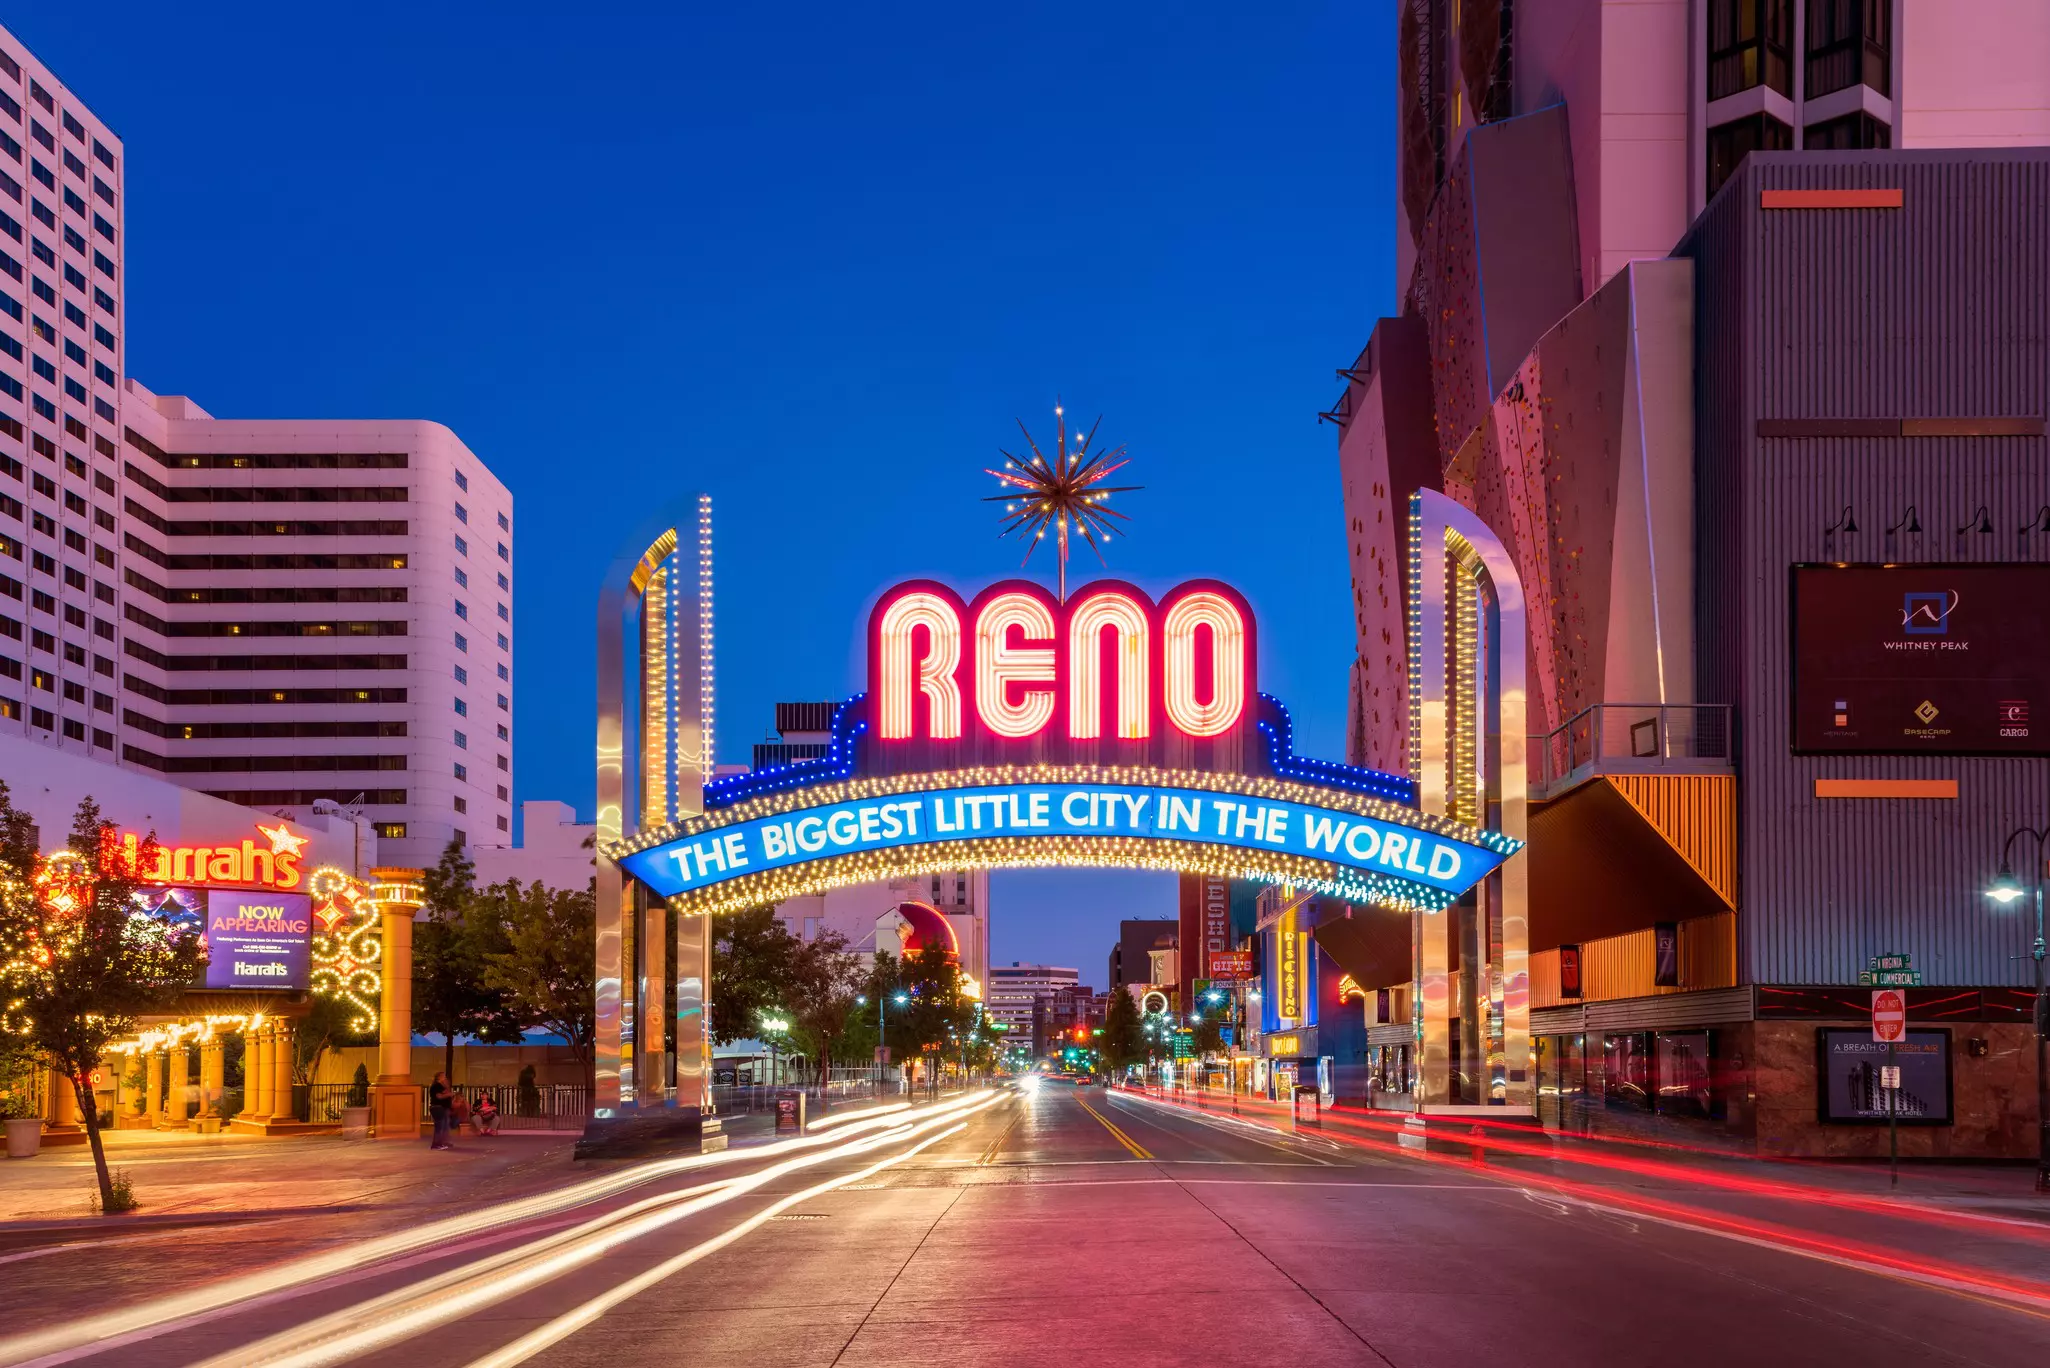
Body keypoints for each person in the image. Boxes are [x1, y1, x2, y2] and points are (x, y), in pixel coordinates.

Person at [429, 1072, 456, 1150]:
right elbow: (439, 1096)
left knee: (442, 1126)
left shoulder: (440, 1086)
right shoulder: (436, 1085)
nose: (445, 1078)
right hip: (438, 1108)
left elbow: (444, 1093)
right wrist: (449, 1095)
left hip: (441, 1108)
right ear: (439, 1077)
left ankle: (440, 1143)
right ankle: (436, 1144)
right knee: (439, 1127)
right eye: (443, 1076)